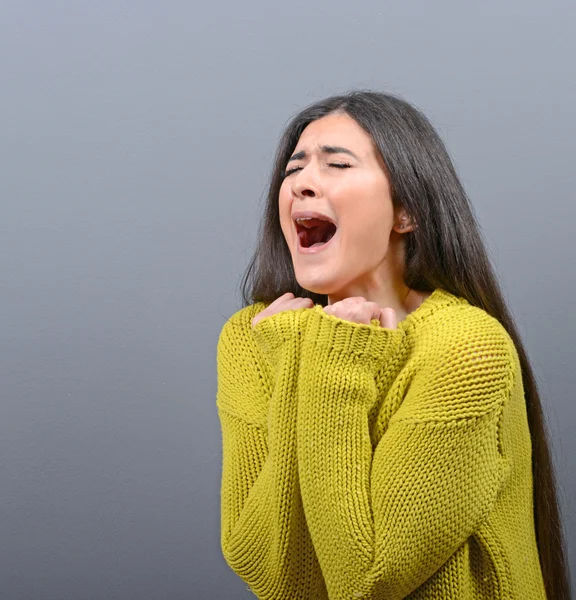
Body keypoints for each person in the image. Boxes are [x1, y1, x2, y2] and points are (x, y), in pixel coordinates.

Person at [215, 90, 570, 599]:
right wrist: (300, 352)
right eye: (293, 169)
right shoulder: (255, 340)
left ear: (406, 211)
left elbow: (366, 579)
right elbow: (273, 572)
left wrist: (330, 363)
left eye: (336, 164)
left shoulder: (467, 350)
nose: (301, 185)